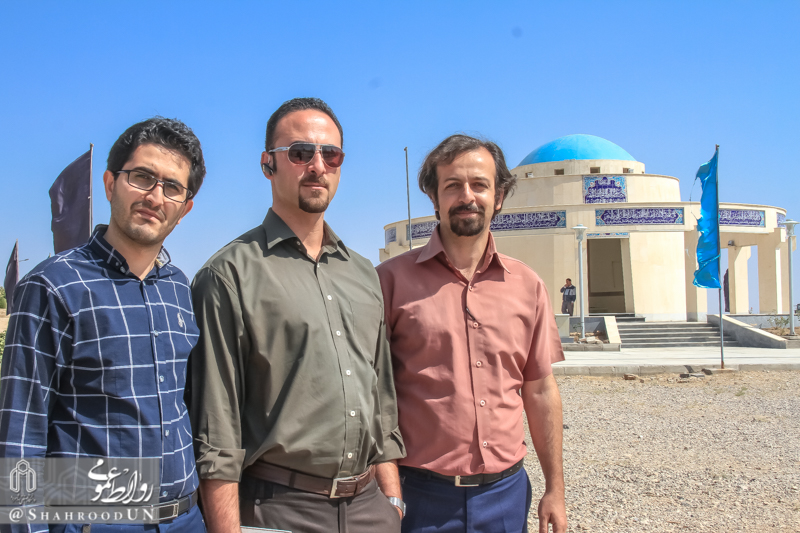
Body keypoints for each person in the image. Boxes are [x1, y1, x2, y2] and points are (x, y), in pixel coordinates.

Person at [190, 97, 405, 533]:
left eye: (331, 154)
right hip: (278, 509)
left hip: (370, 508)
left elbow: (381, 397)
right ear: (268, 164)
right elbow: (217, 426)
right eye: (300, 153)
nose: (318, 166)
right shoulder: (229, 274)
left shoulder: (363, 273)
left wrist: (393, 501)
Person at [0, 117, 207, 532]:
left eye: (172, 187)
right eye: (142, 177)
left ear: (185, 209)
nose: (155, 196)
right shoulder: (55, 286)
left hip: (185, 518)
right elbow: (20, 437)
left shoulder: (180, 290)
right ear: (111, 183)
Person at [377, 134, 568, 533]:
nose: (467, 196)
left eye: (480, 185)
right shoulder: (388, 283)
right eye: (453, 186)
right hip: (419, 499)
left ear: (499, 196)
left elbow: (539, 390)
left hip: (505, 496)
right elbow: (372, 394)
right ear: (434, 197)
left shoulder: (528, 285)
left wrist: (555, 488)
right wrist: (390, 491)